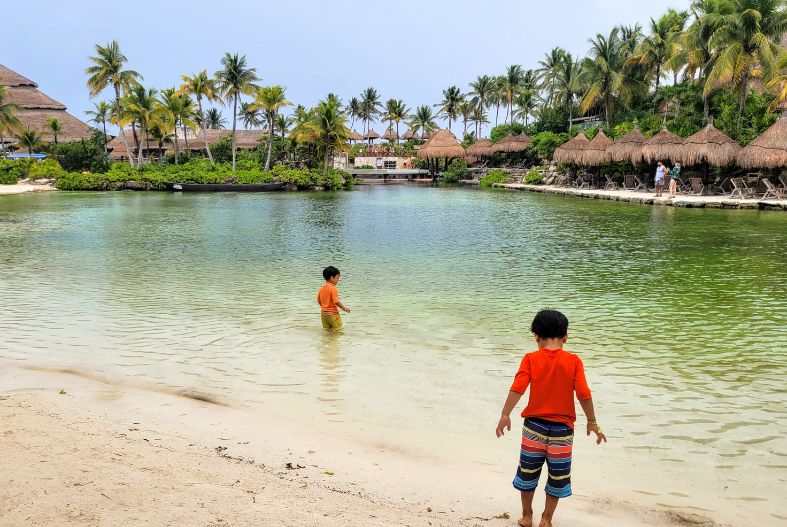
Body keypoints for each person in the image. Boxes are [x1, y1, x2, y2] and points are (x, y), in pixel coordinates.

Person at [495, 309, 606, 527]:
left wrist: (505, 413)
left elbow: (518, 388)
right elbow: (583, 393)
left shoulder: (530, 359)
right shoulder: (574, 361)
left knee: (528, 472)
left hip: (534, 426)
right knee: (557, 475)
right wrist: (592, 421)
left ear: (535, 335)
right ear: (565, 336)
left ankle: (527, 516)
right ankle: (546, 519)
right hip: (562, 430)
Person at [317, 266, 350, 332]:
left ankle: (327, 342)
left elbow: (318, 299)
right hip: (333, 314)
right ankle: (334, 342)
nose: (338, 280)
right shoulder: (333, 288)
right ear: (332, 278)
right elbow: (336, 301)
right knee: (338, 330)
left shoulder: (322, 288)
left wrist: (324, 307)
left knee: (327, 330)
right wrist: (344, 308)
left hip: (323, 314)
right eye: (337, 278)